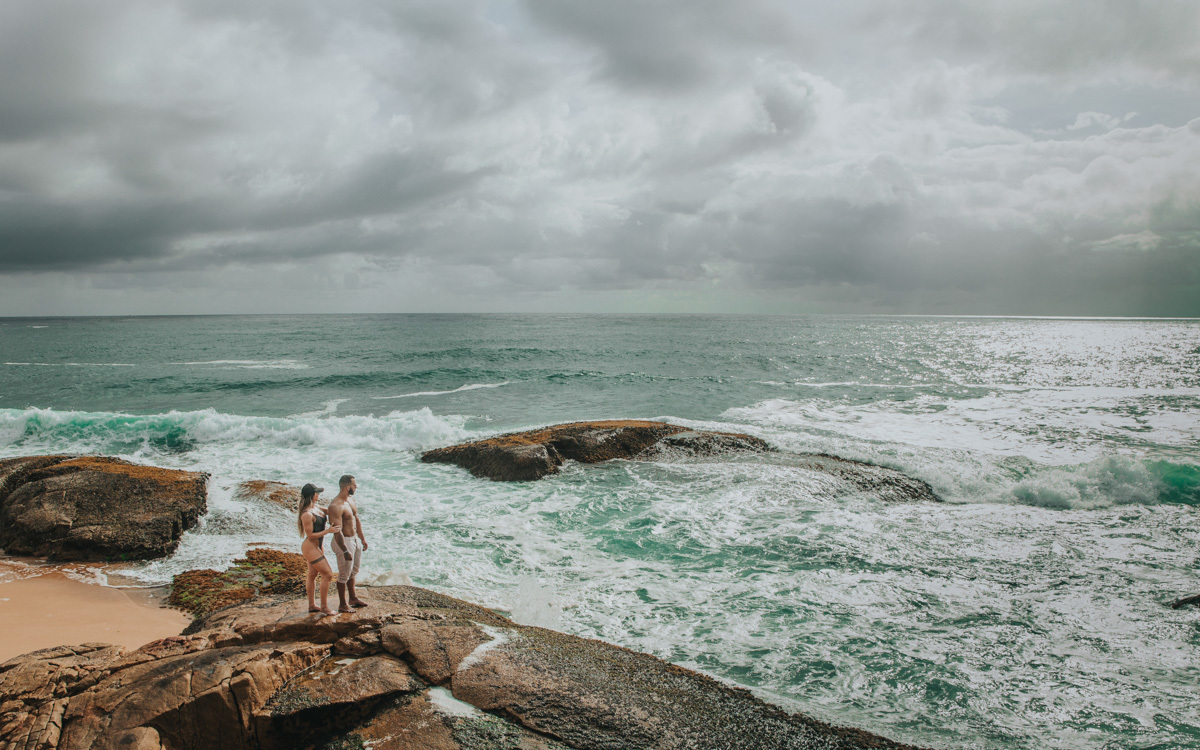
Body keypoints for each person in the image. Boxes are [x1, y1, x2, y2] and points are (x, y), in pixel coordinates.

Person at [327, 474, 369, 613]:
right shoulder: (335, 505)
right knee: (344, 574)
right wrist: (345, 550)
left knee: (354, 571)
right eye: (354, 485)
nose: (356, 487)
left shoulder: (350, 500)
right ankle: (343, 604)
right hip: (343, 541)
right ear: (347, 487)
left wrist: (362, 539)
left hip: (354, 539)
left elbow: (356, 520)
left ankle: (353, 598)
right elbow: (337, 531)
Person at [298, 483, 340, 616]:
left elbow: (329, 511)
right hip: (310, 547)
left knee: (312, 575)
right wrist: (329, 531)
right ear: (312, 495)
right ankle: (324, 607)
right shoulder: (306, 514)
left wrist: (343, 508)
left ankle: (311, 605)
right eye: (317, 493)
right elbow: (310, 535)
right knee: (327, 575)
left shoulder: (316, 507)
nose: (319, 495)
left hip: (317, 546)